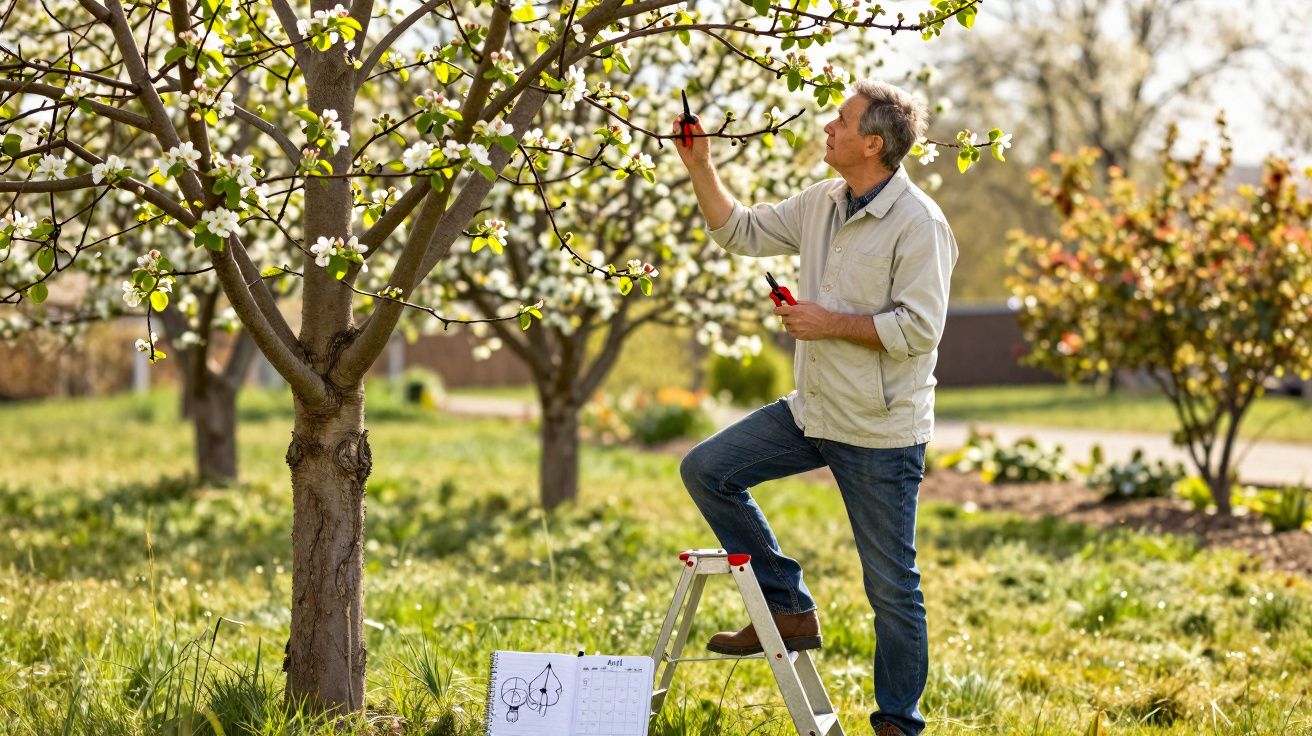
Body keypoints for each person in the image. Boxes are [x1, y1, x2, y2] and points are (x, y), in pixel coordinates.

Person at [670, 79, 957, 736]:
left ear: (873, 142)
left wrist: (828, 322)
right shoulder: (825, 201)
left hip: (881, 432)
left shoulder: (920, 224)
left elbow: (919, 330)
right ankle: (787, 606)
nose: (829, 127)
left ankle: (897, 725)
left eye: (842, 120)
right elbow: (739, 231)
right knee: (706, 469)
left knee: (891, 589)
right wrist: (700, 165)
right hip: (813, 413)